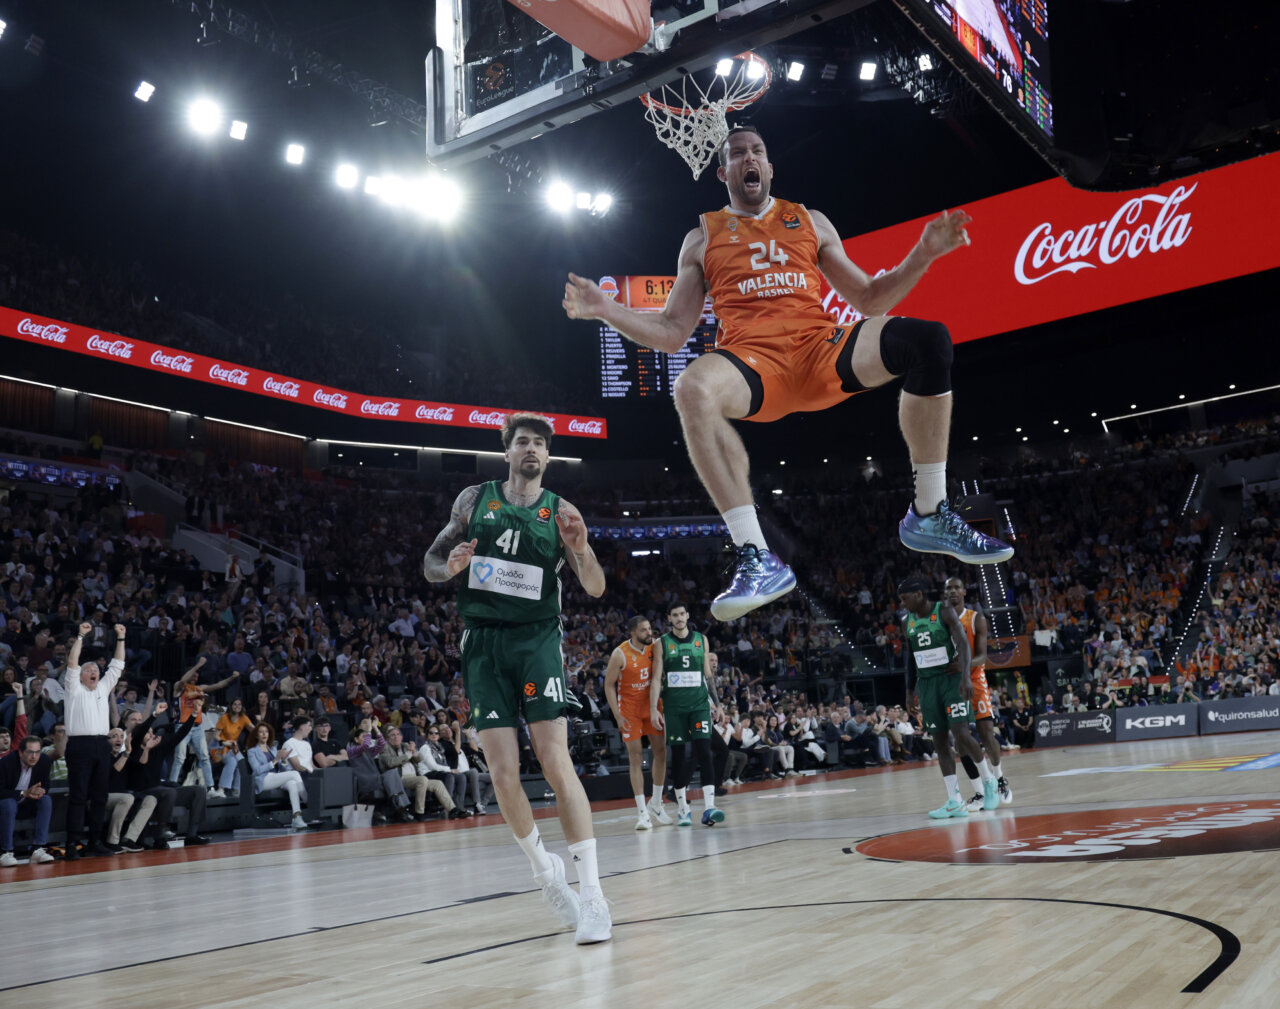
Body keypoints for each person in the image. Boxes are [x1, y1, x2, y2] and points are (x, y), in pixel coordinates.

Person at [563, 125, 1012, 621]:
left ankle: (929, 512)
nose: (748, 158)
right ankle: (755, 556)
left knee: (929, 341)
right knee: (691, 387)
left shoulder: (810, 222)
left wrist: (922, 255)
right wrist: (606, 309)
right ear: (723, 173)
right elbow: (672, 332)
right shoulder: (702, 237)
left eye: (757, 151)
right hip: (755, 364)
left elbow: (869, 299)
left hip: (820, 350)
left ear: (770, 168)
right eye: (737, 153)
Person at [422, 412, 612, 944]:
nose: (531, 449)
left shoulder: (562, 512)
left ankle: (593, 895)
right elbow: (430, 562)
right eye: (522, 441)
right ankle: (546, 874)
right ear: (507, 452)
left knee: (554, 760)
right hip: (483, 643)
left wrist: (581, 548)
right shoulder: (473, 500)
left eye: (540, 443)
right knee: (503, 774)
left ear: (548, 456)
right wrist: (449, 567)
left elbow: (596, 587)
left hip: (536, 642)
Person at [898, 577, 992, 819]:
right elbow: (910, 659)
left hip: (951, 681)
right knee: (939, 743)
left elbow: (964, 644)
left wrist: (966, 676)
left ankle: (988, 781)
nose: (902, 604)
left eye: (905, 598)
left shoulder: (944, 611)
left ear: (918, 594)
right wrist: (909, 691)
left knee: (961, 734)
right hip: (927, 685)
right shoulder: (906, 622)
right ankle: (954, 801)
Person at [651, 602, 725, 827]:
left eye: (682, 613)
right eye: (675, 615)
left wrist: (718, 704)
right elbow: (656, 678)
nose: (679, 618)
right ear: (669, 618)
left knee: (705, 751)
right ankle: (683, 808)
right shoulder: (662, 643)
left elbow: (708, 675)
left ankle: (710, 807)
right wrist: (653, 708)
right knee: (679, 756)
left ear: (688, 615)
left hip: (699, 706)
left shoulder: (701, 640)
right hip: (674, 708)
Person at [944, 577, 1012, 808]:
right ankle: (980, 792)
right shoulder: (941, 621)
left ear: (964, 591)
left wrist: (962, 667)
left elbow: (983, 656)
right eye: (948, 588)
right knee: (960, 742)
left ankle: (999, 778)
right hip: (952, 684)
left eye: (956, 587)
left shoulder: (976, 618)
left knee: (986, 735)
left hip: (975, 681)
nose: (953, 591)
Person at [62, 621, 128, 859]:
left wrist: (121, 638)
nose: (94, 672)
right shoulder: (73, 688)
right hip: (79, 745)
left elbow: (117, 664)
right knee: (79, 795)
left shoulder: (102, 688)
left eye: (96, 670)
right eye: (88, 670)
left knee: (100, 796)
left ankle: (95, 841)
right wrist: (80, 636)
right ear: (80, 676)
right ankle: (72, 843)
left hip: (102, 744)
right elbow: (72, 663)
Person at [603, 615, 671, 830]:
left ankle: (657, 803)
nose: (649, 633)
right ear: (632, 633)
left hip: (652, 705)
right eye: (643, 630)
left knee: (661, 752)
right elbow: (608, 685)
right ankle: (642, 813)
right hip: (629, 710)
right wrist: (617, 715)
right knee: (636, 758)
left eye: (649, 628)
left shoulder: (656, 647)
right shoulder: (620, 654)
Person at [0, 735, 56, 866]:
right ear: (21, 752)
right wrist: (23, 793)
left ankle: (38, 848)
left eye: (37, 752)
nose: (34, 756)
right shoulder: (6, 763)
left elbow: (46, 784)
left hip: (29, 803)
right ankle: (6, 851)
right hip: (7, 804)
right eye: (30, 752)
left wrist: (40, 791)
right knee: (9, 803)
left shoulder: (44, 761)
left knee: (46, 800)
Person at [245, 722, 309, 831]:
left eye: (266, 732)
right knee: (294, 773)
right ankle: (309, 802)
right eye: (261, 732)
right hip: (263, 780)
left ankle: (297, 817)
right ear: (256, 735)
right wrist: (274, 761)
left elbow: (281, 769)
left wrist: (283, 760)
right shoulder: (252, 751)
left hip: (276, 778)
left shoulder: (272, 749)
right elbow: (256, 770)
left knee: (292, 783)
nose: (264, 734)